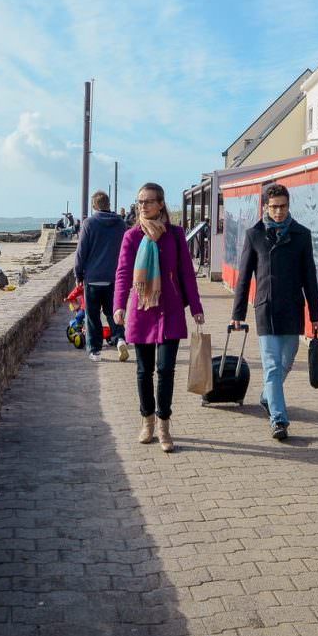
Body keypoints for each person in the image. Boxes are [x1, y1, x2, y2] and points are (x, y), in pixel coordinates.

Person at [114, 183, 205, 453]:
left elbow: (187, 273)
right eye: (140, 201)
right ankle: (147, 421)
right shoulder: (132, 236)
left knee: (165, 370)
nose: (143, 206)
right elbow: (122, 273)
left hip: (170, 310)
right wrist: (119, 305)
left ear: (161, 203)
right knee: (144, 371)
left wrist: (196, 307)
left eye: (149, 201)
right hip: (142, 311)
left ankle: (164, 425)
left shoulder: (176, 235)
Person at [229, 183, 318, 442]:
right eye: (274, 207)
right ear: (265, 207)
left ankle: (266, 396)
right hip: (266, 307)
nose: (279, 212)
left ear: (288, 205)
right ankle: (279, 419)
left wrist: (316, 313)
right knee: (271, 366)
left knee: (287, 362)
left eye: (283, 206)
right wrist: (237, 312)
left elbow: (310, 277)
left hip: (293, 307)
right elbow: (244, 276)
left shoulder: (301, 235)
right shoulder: (254, 235)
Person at [74, 191, 129, 362]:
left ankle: (95, 350)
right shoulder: (120, 223)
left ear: (94, 206)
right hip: (114, 277)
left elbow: (81, 252)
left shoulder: (89, 223)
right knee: (114, 312)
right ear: (108, 204)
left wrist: (78, 273)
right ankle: (119, 338)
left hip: (93, 278)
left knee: (92, 315)